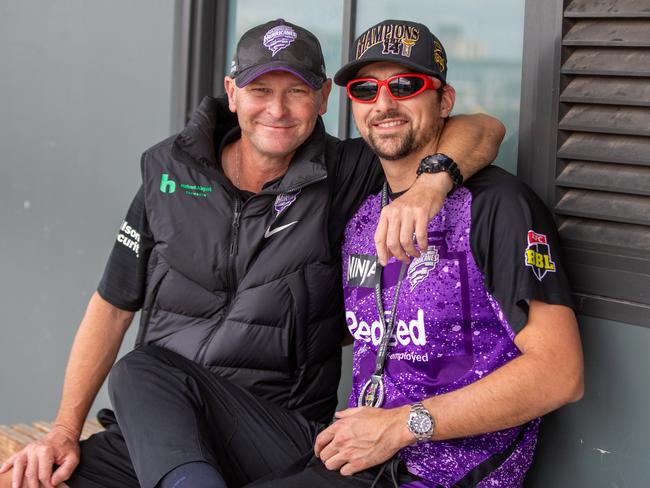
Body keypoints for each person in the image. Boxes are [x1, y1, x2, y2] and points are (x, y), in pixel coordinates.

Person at [0, 19, 504, 488]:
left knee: (141, 367)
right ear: (232, 93)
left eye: (297, 93)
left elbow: (483, 127)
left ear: (324, 98)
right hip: (163, 427)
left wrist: (431, 183)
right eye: (261, 90)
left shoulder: (347, 173)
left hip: (274, 435)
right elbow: (111, 307)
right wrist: (64, 430)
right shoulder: (170, 173)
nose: (278, 110)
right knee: (30, 476)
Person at [249, 19, 585, 488]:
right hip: (355, 461)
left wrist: (402, 426)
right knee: (151, 375)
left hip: (447, 475)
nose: (384, 103)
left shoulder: (499, 206)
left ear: (444, 100)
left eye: (406, 85)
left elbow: (559, 374)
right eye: (366, 90)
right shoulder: (363, 211)